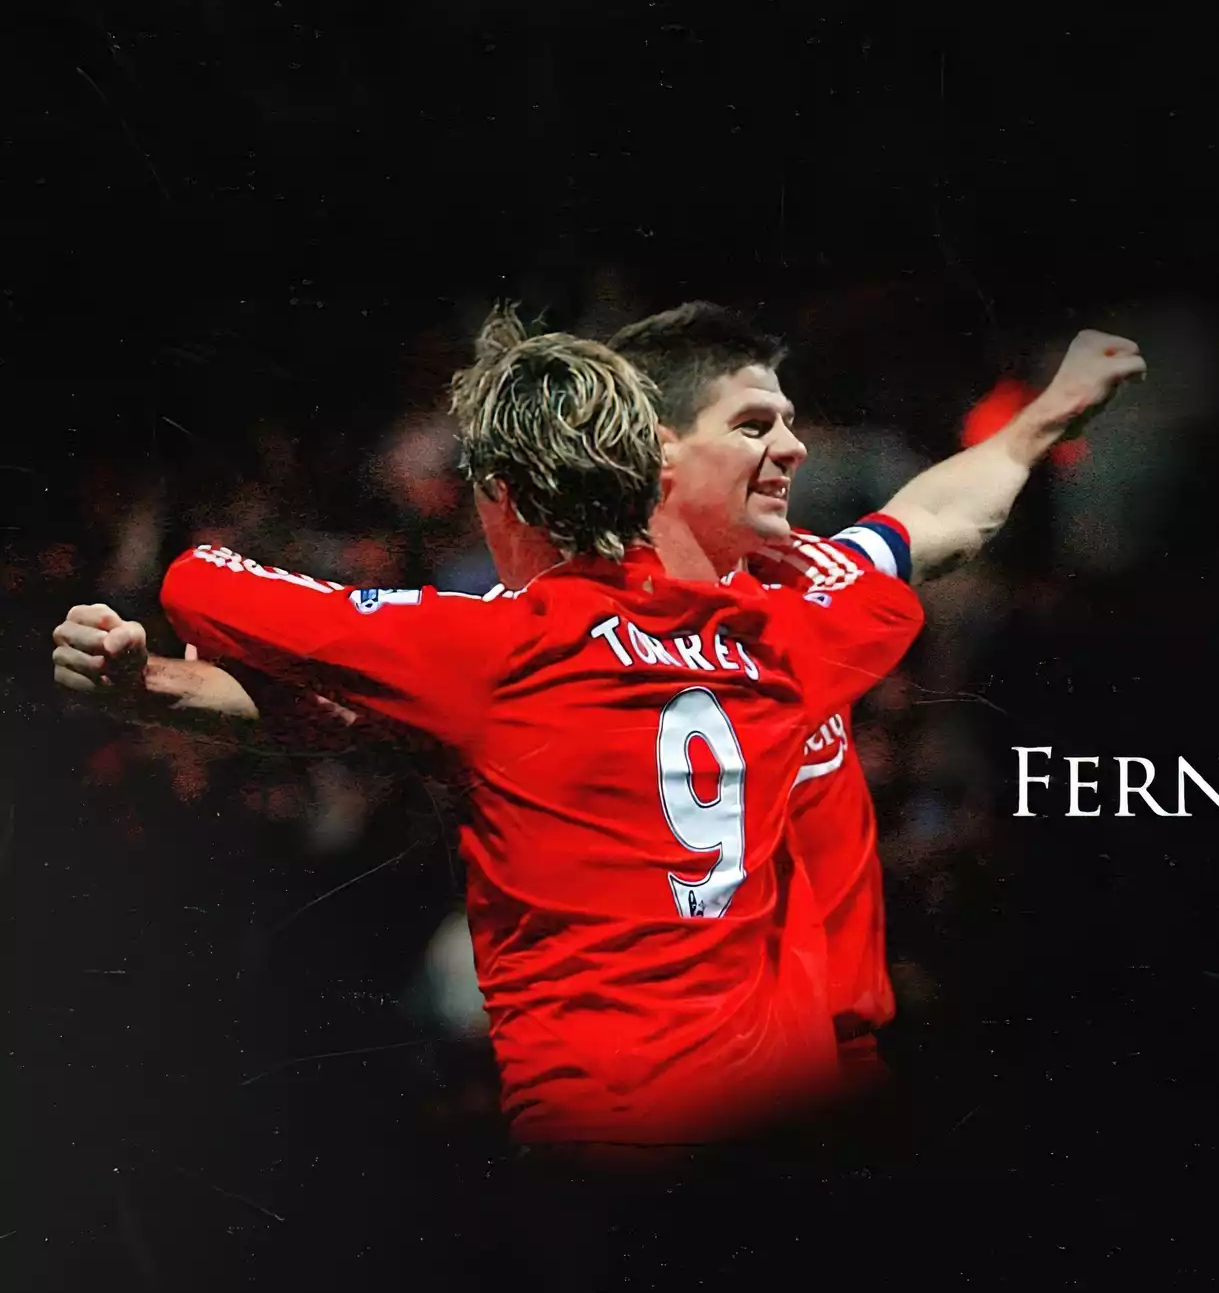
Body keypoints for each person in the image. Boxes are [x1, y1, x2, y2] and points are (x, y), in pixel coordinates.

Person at [58, 307, 1148, 1097]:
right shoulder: (786, 617)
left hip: (767, 1105)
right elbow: (342, 718)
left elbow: (939, 516)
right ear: (653, 451)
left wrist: (1050, 412)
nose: (794, 447)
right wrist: (154, 690)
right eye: (754, 424)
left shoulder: (778, 596)